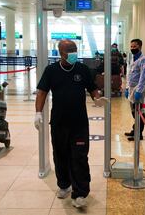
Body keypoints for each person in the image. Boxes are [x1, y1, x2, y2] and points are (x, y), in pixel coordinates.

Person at [34, 40, 108, 208]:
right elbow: (42, 92)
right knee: (60, 155)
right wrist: (38, 113)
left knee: (79, 157)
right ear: (60, 52)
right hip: (59, 122)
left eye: (74, 49)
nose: (74, 52)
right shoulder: (51, 71)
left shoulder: (82, 69)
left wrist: (97, 99)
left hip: (79, 123)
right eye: (69, 50)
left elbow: (92, 88)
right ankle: (64, 185)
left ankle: (80, 193)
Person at [124, 39, 145, 141]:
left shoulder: (144, 60)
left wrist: (139, 91)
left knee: (139, 112)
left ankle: (138, 134)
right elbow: (129, 74)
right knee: (133, 111)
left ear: (140, 47)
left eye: (134, 47)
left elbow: (144, 77)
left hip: (138, 89)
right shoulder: (133, 59)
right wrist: (127, 88)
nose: (132, 48)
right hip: (131, 88)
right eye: (131, 47)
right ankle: (135, 129)